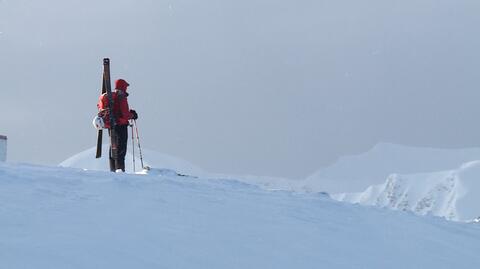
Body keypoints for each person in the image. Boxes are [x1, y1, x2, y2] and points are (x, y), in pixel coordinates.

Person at [97, 79, 138, 172]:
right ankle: (120, 169)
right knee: (121, 149)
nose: (126, 88)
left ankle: (112, 169)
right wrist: (133, 115)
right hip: (121, 125)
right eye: (126, 86)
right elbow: (125, 114)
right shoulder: (121, 97)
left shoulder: (110, 96)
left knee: (113, 146)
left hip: (111, 125)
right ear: (123, 86)